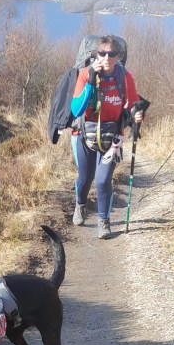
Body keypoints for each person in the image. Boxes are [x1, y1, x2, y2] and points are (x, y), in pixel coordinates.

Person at [70, 35, 144, 239]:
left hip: (113, 136)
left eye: (112, 54)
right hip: (85, 134)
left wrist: (137, 116)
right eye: (102, 53)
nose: (107, 57)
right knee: (85, 178)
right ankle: (80, 204)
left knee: (103, 180)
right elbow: (76, 110)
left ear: (118, 56)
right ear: (96, 55)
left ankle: (104, 221)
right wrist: (90, 81)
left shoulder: (125, 77)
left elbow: (133, 106)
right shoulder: (85, 74)